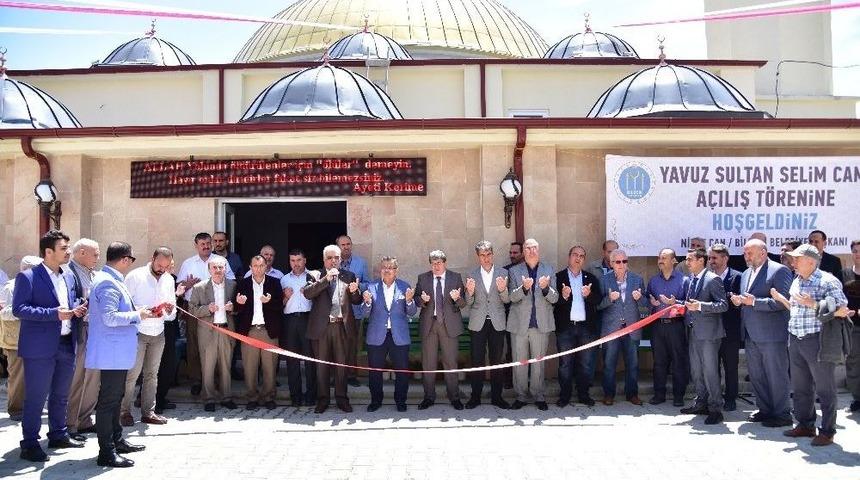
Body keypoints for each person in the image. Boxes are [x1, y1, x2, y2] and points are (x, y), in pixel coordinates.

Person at [14, 230, 88, 462]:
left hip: (66, 342)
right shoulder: (28, 277)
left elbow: (70, 302)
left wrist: (78, 307)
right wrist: (53, 314)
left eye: (68, 247)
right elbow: (19, 309)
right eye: (64, 248)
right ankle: (29, 443)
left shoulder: (68, 276)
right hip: (39, 347)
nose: (68, 252)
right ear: (48, 252)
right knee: (36, 397)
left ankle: (58, 433)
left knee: (61, 394)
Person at [773, 244, 850, 446]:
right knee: (800, 388)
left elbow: (842, 309)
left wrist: (813, 304)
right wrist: (781, 299)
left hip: (818, 340)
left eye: (797, 258)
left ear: (810, 261)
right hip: (795, 338)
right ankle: (805, 425)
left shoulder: (827, 281)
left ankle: (827, 431)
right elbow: (795, 307)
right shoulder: (796, 280)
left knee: (825, 389)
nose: (793, 262)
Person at [86, 241, 150, 468]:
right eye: (131, 259)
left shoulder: (110, 279)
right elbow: (110, 317)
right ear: (124, 259)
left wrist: (135, 312)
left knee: (114, 399)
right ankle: (106, 452)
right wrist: (138, 315)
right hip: (111, 352)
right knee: (108, 402)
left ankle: (117, 440)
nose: (131, 263)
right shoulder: (107, 282)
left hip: (115, 352)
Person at [731, 239, 793, 428]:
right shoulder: (746, 273)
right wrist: (739, 301)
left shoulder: (780, 270)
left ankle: (782, 414)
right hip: (751, 334)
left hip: (772, 334)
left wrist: (754, 302)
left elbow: (784, 302)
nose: (746, 256)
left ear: (763, 252)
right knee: (757, 375)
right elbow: (748, 300)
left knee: (776, 375)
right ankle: (765, 410)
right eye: (745, 253)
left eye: (750, 253)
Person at [120, 247, 177, 426]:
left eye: (166, 267)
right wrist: (144, 311)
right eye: (160, 265)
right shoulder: (135, 276)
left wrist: (168, 310)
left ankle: (148, 412)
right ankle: (124, 411)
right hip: (138, 331)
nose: (162, 269)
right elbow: (124, 306)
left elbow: (172, 313)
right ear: (152, 258)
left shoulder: (169, 279)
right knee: (132, 374)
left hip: (158, 332)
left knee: (152, 374)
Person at [304, 245, 362, 413]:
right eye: (329, 258)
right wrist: (326, 279)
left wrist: (355, 292)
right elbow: (308, 293)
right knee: (322, 366)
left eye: (336, 257)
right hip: (322, 328)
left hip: (342, 327)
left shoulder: (348, 275)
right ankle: (323, 400)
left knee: (341, 365)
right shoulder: (315, 275)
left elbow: (356, 300)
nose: (333, 261)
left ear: (340, 259)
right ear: (324, 260)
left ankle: (342, 399)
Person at [360, 256, 416, 412]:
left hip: (399, 336)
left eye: (390, 267)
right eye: (384, 267)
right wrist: (367, 302)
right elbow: (364, 313)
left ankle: (401, 401)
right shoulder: (371, 286)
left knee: (402, 371)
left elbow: (412, 312)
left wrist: (409, 301)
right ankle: (376, 401)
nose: (387, 270)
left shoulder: (405, 286)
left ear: (396, 270)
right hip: (377, 336)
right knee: (375, 372)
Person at [679, 248, 728, 425]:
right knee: (696, 370)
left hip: (709, 334)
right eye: (686, 259)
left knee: (710, 371)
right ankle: (701, 403)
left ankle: (716, 408)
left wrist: (700, 306)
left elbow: (723, 305)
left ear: (701, 260)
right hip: (694, 331)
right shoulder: (692, 279)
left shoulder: (713, 279)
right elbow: (691, 304)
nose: (687, 263)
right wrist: (676, 303)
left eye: (690, 259)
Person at [507, 238, 558, 411]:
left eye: (534, 248)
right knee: (519, 363)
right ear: (523, 252)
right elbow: (511, 297)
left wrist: (545, 288)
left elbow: (555, 298)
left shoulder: (549, 269)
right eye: (528, 248)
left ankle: (538, 395)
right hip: (519, 325)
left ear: (539, 250)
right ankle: (521, 396)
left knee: (538, 364)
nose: (531, 251)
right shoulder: (514, 271)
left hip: (541, 324)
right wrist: (523, 288)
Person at [414, 249, 467, 410]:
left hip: (449, 325)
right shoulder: (423, 278)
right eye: (433, 263)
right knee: (428, 363)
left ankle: (454, 397)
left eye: (438, 263)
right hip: (429, 325)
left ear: (444, 263)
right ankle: (429, 397)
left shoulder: (455, 277)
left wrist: (457, 298)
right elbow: (416, 299)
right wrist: (422, 300)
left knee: (450, 363)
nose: (436, 266)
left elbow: (463, 303)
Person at [187, 255, 238, 412]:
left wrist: (233, 308)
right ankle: (208, 398)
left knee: (226, 365)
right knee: (207, 366)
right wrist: (207, 309)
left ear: (225, 269)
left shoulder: (233, 285)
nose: (218, 270)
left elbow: (241, 308)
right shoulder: (199, 287)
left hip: (226, 330)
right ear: (209, 270)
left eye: (221, 267)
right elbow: (191, 309)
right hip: (208, 331)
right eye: (214, 267)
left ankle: (226, 397)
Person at [464, 241, 510, 409]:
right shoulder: (471, 274)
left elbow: (507, 300)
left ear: (493, 254)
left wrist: (503, 290)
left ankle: (497, 397)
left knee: (496, 360)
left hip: (497, 322)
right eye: (482, 255)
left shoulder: (503, 273)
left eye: (488, 254)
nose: (486, 258)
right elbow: (468, 302)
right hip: (478, 323)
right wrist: (469, 292)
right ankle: (475, 397)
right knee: (477, 360)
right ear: (478, 257)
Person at [598, 249, 648, 406]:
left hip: (631, 328)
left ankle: (632, 394)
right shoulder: (604, 280)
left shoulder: (637, 279)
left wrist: (640, 298)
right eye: (618, 262)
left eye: (624, 261)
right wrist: (609, 299)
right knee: (609, 364)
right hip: (611, 329)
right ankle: (608, 395)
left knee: (632, 364)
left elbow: (646, 304)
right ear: (611, 263)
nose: (621, 264)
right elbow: (597, 305)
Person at [553, 245, 601, 408]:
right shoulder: (558, 277)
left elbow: (598, 300)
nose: (578, 258)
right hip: (565, 329)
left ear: (584, 260)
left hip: (586, 328)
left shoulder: (590, 278)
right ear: (569, 257)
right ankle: (564, 396)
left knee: (585, 364)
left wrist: (589, 295)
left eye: (581, 256)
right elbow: (552, 302)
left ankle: (583, 395)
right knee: (565, 364)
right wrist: (563, 296)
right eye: (575, 254)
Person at [236, 255, 284, 410]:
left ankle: (269, 397)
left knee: (270, 367)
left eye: (261, 265)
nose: (258, 269)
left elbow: (280, 305)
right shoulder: (243, 284)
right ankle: (252, 397)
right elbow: (237, 309)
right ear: (250, 268)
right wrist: (239, 304)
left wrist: (269, 302)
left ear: (266, 266)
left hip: (268, 331)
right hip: (249, 331)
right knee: (250, 367)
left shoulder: (274, 282)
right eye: (255, 266)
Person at [65, 238, 101, 439]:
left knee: (92, 378)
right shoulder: (68, 273)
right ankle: (70, 424)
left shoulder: (94, 274)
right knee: (76, 379)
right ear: (81, 253)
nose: (98, 257)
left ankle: (85, 420)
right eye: (95, 254)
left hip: (95, 330)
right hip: (79, 331)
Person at [0, 255, 42, 422]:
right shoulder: (11, 287)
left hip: (36, 337)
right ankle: (16, 409)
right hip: (16, 340)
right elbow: (5, 313)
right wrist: (28, 311)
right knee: (18, 376)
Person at [645, 248, 688, 407]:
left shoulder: (684, 280)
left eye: (664, 258)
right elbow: (647, 298)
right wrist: (651, 302)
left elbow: (689, 304)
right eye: (659, 258)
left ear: (674, 261)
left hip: (676, 326)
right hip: (658, 326)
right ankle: (659, 395)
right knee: (659, 362)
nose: (660, 261)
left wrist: (675, 303)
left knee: (678, 362)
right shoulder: (653, 281)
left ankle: (678, 396)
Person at [707, 243, 743, 411]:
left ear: (725, 258)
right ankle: (714, 397)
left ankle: (730, 398)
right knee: (712, 367)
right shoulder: (707, 277)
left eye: (714, 258)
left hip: (730, 330)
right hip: (711, 330)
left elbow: (741, 304)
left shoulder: (738, 277)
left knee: (730, 367)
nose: (711, 261)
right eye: (709, 258)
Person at [279, 249, 316, 407]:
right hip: (290, 321)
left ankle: (311, 396)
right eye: (293, 260)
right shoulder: (284, 279)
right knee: (292, 359)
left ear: (305, 260)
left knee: (310, 359)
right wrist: (285, 297)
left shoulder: (313, 277)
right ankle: (295, 396)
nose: (296, 263)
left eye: (299, 260)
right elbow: (279, 305)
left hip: (308, 319)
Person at [336, 234, 371, 388]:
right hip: (336, 312)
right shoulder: (333, 263)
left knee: (352, 345)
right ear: (338, 247)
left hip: (355, 311)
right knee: (336, 345)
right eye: (343, 245)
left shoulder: (361, 263)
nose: (346, 247)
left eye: (348, 244)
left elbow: (368, 283)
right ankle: (337, 376)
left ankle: (351, 375)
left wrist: (356, 287)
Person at [501, 241, 525, 389]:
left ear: (522, 253)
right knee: (511, 349)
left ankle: (527, 380)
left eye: (515, 252)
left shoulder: (529, 270)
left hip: (529, 317)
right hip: (510, 317)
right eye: (510, 252)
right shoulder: (505, 271)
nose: (512, 255)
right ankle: (510, 380)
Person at [843, 240, 860, 413]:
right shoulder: (845, 273)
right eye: (855, 251)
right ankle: (857, 398)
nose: (858, 254)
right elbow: (839, 296)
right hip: (852, 326)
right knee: (853, 363)